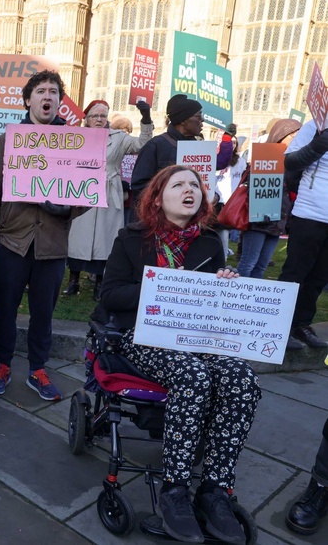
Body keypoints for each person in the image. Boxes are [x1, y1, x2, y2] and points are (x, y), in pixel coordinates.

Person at [96, 165, 261, 544]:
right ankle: (175, 490)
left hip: (197, 336)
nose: (190, 189)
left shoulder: (209, 242)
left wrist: (225, 287)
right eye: (178, 184)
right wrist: (161, 287)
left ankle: (215, 490)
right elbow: (110, 296)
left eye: (195, 185)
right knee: (193, 376)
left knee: (242, 378)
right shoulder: (131, 239)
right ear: (157, 197)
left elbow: (214, 307)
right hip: (142, 334)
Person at [0, 69, 86, 402]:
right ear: (28, 99)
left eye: (54, 91)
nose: (47, 96)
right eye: (41, 91)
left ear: (59, 101)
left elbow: (85, 193)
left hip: (52, 246)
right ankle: (2, 364)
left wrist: (63, 208)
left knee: (44, 312)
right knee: (6, 308)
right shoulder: (8, 139)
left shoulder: (74, 141)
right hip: (11, 242)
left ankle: (38, 369)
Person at [63, 99, 154, 300]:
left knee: (105, 238)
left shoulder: (119, 137)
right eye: (94, 116)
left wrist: (146, 119)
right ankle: (73, 280)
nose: (99, 119)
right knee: (78, 236)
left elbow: (143, 144)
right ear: (86, 119)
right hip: (82, 190)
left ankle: (99, 283)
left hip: (108, 190)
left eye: (103, 116)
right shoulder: (75, 137)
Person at [129, 94, 235, 220]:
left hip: (189, 221)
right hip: (161, 221)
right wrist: (168, 200)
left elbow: (218, 163)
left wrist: (227, 139)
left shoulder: (197, 146)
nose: (202, 120)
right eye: (198, 116)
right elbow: (139, 185)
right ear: (183, 120)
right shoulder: (156, 145)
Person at [277, 119, 328, 349]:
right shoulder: (316, 125)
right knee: (295, 272)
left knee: (319, 276)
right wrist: (319, 144)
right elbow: (291, 162)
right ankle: (278, 327)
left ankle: (301, 325)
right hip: (310, 213)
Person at [236, 120, 299, 280]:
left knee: (261, 265)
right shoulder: (264, 158)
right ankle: (235, 298)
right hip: (260, 221)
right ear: (281, 135)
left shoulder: (293, 161)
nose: (296, 140)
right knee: (248, 263)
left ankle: (253, 299)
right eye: (293, 136)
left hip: (278, 221)